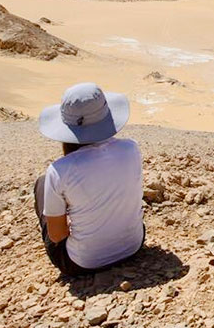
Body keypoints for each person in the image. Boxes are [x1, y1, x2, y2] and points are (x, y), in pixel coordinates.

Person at [34, 82, 145, 276]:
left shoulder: (60, 170)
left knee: (42, 184)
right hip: (133, 246)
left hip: (82, 263)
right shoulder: (131, 148)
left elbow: (57, 236)